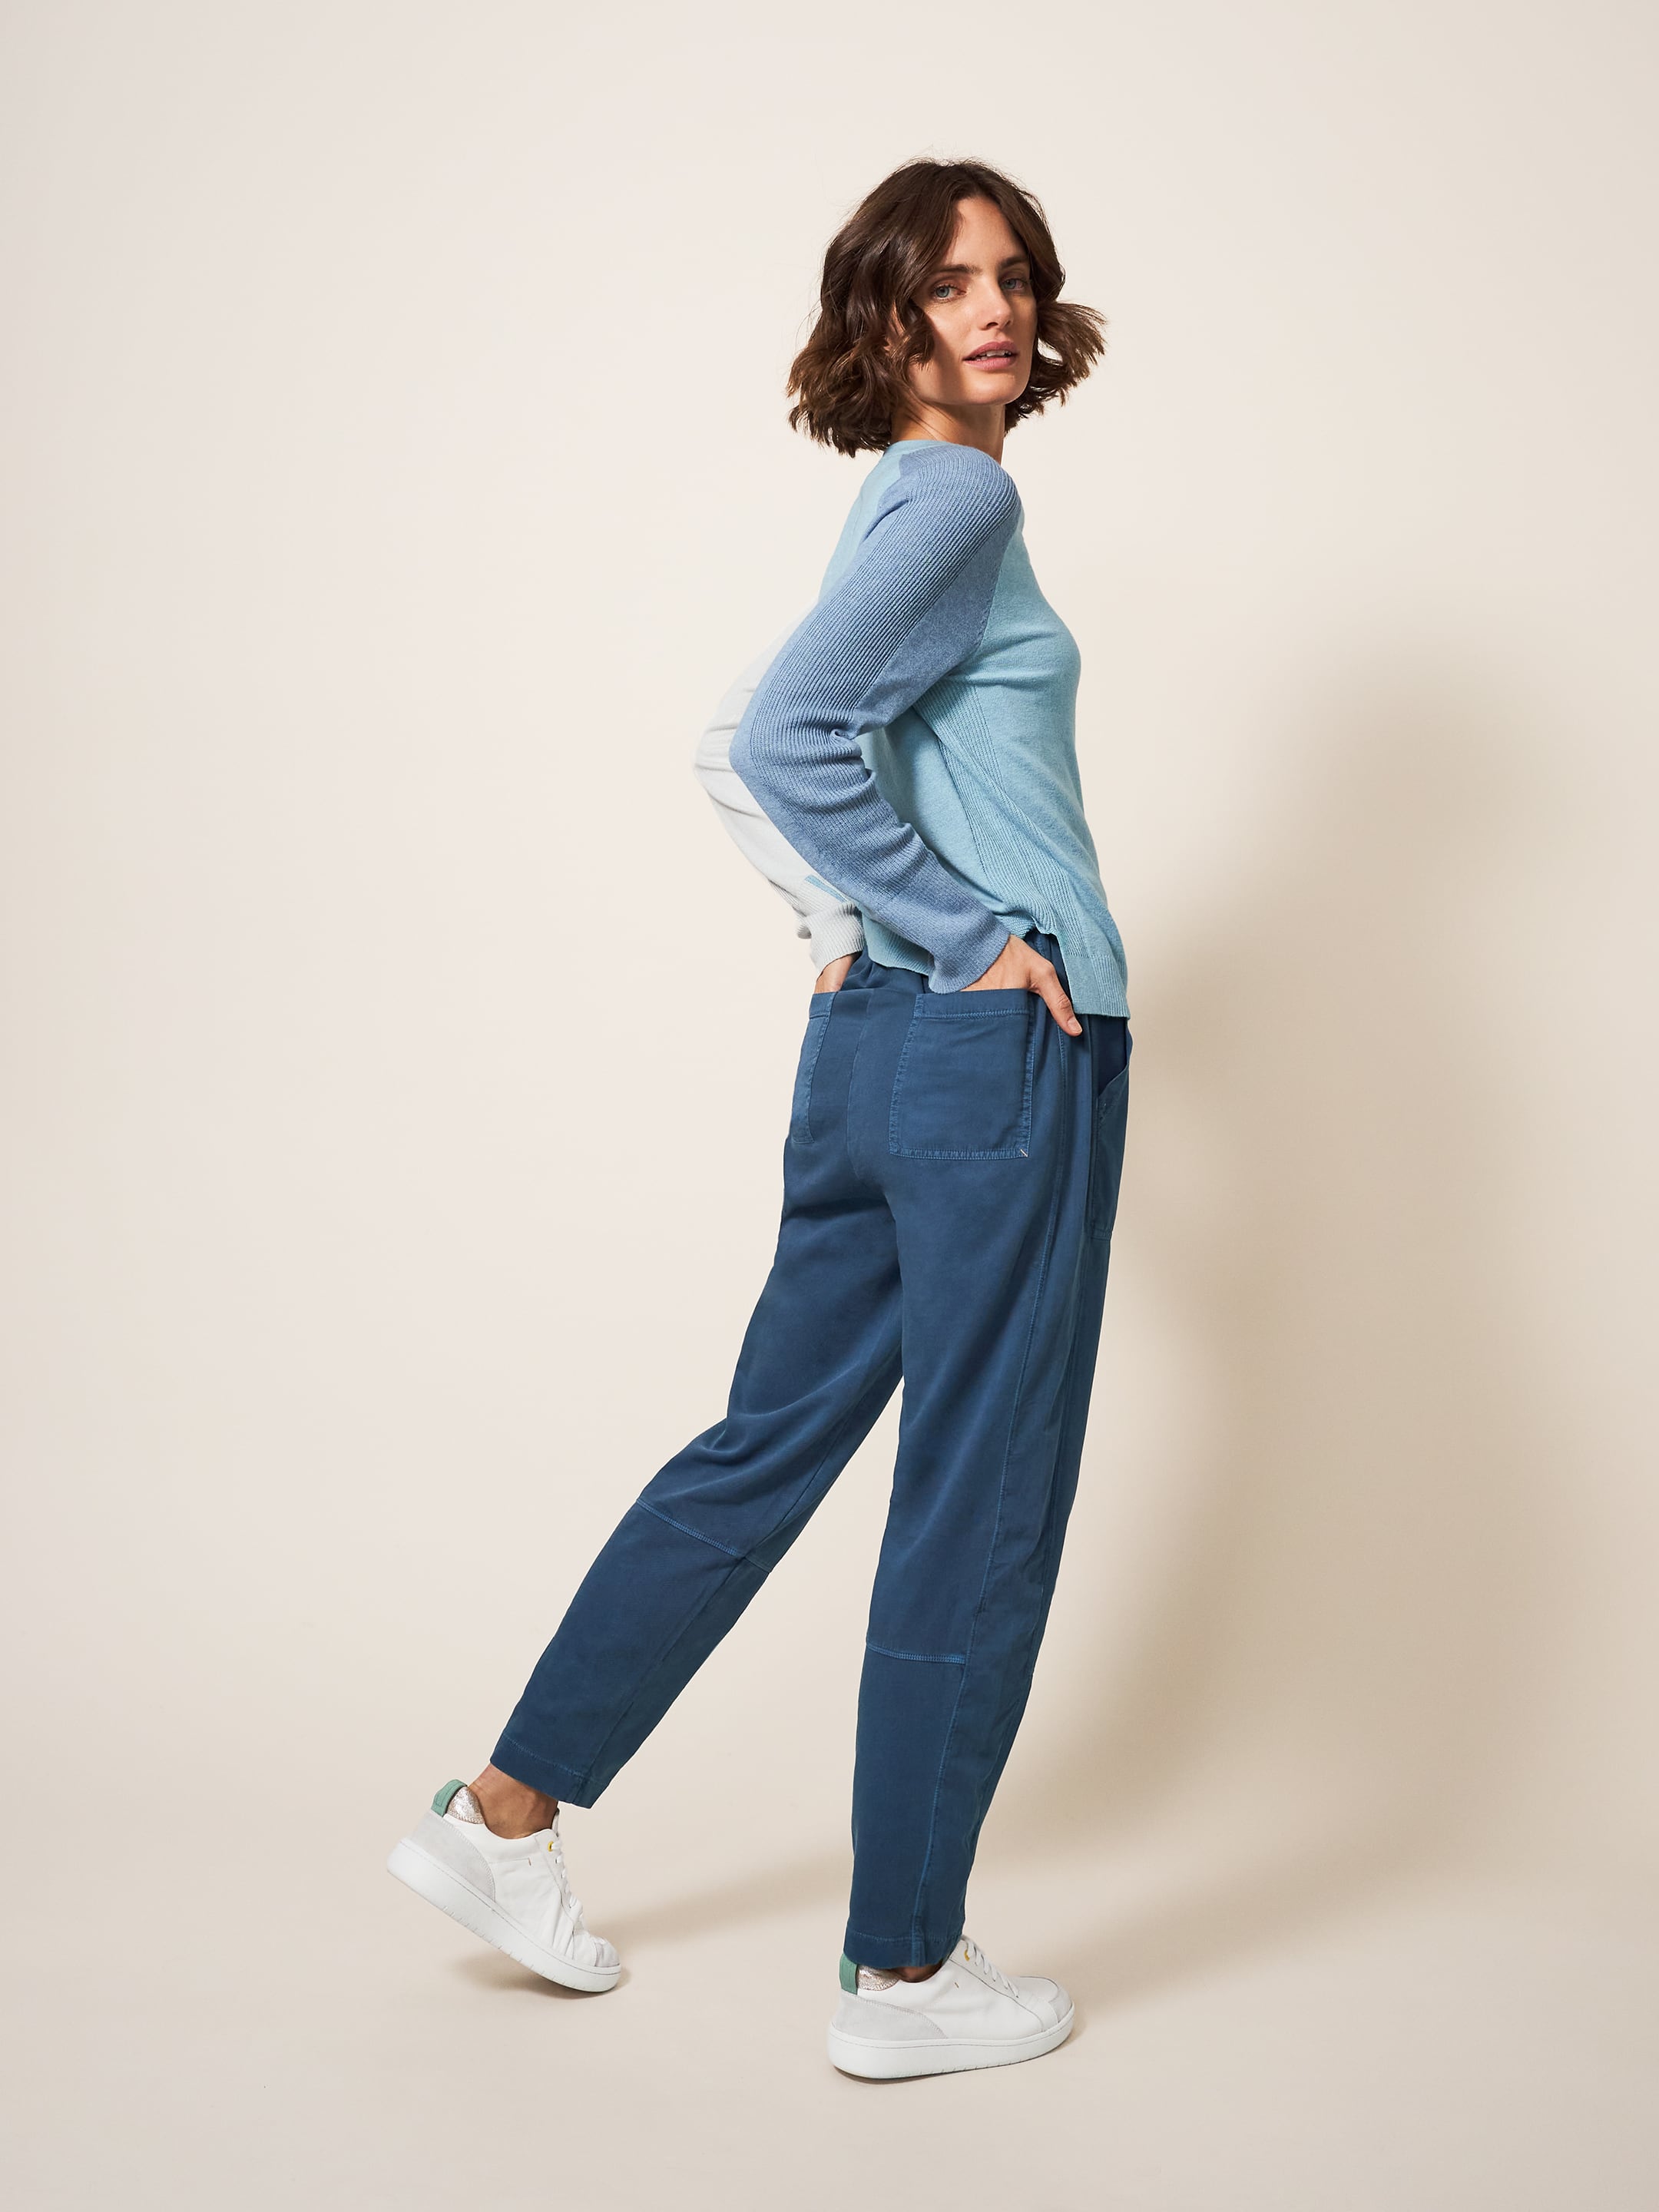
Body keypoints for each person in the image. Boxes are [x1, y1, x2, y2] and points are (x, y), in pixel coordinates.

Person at [388, 156, 1134, 2082]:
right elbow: (795, 737)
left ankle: (503, 1818)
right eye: (949, 283)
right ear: (882, 316)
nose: (995, 309)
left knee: (764, 1445)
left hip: (878, 1053)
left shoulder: (894, 505)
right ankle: (907, 1975)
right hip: (995, 1052)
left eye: (1013, 276)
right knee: (980, 1494)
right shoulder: (961, 497)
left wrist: (840, 928)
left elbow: (741, 739)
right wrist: (970, 934)